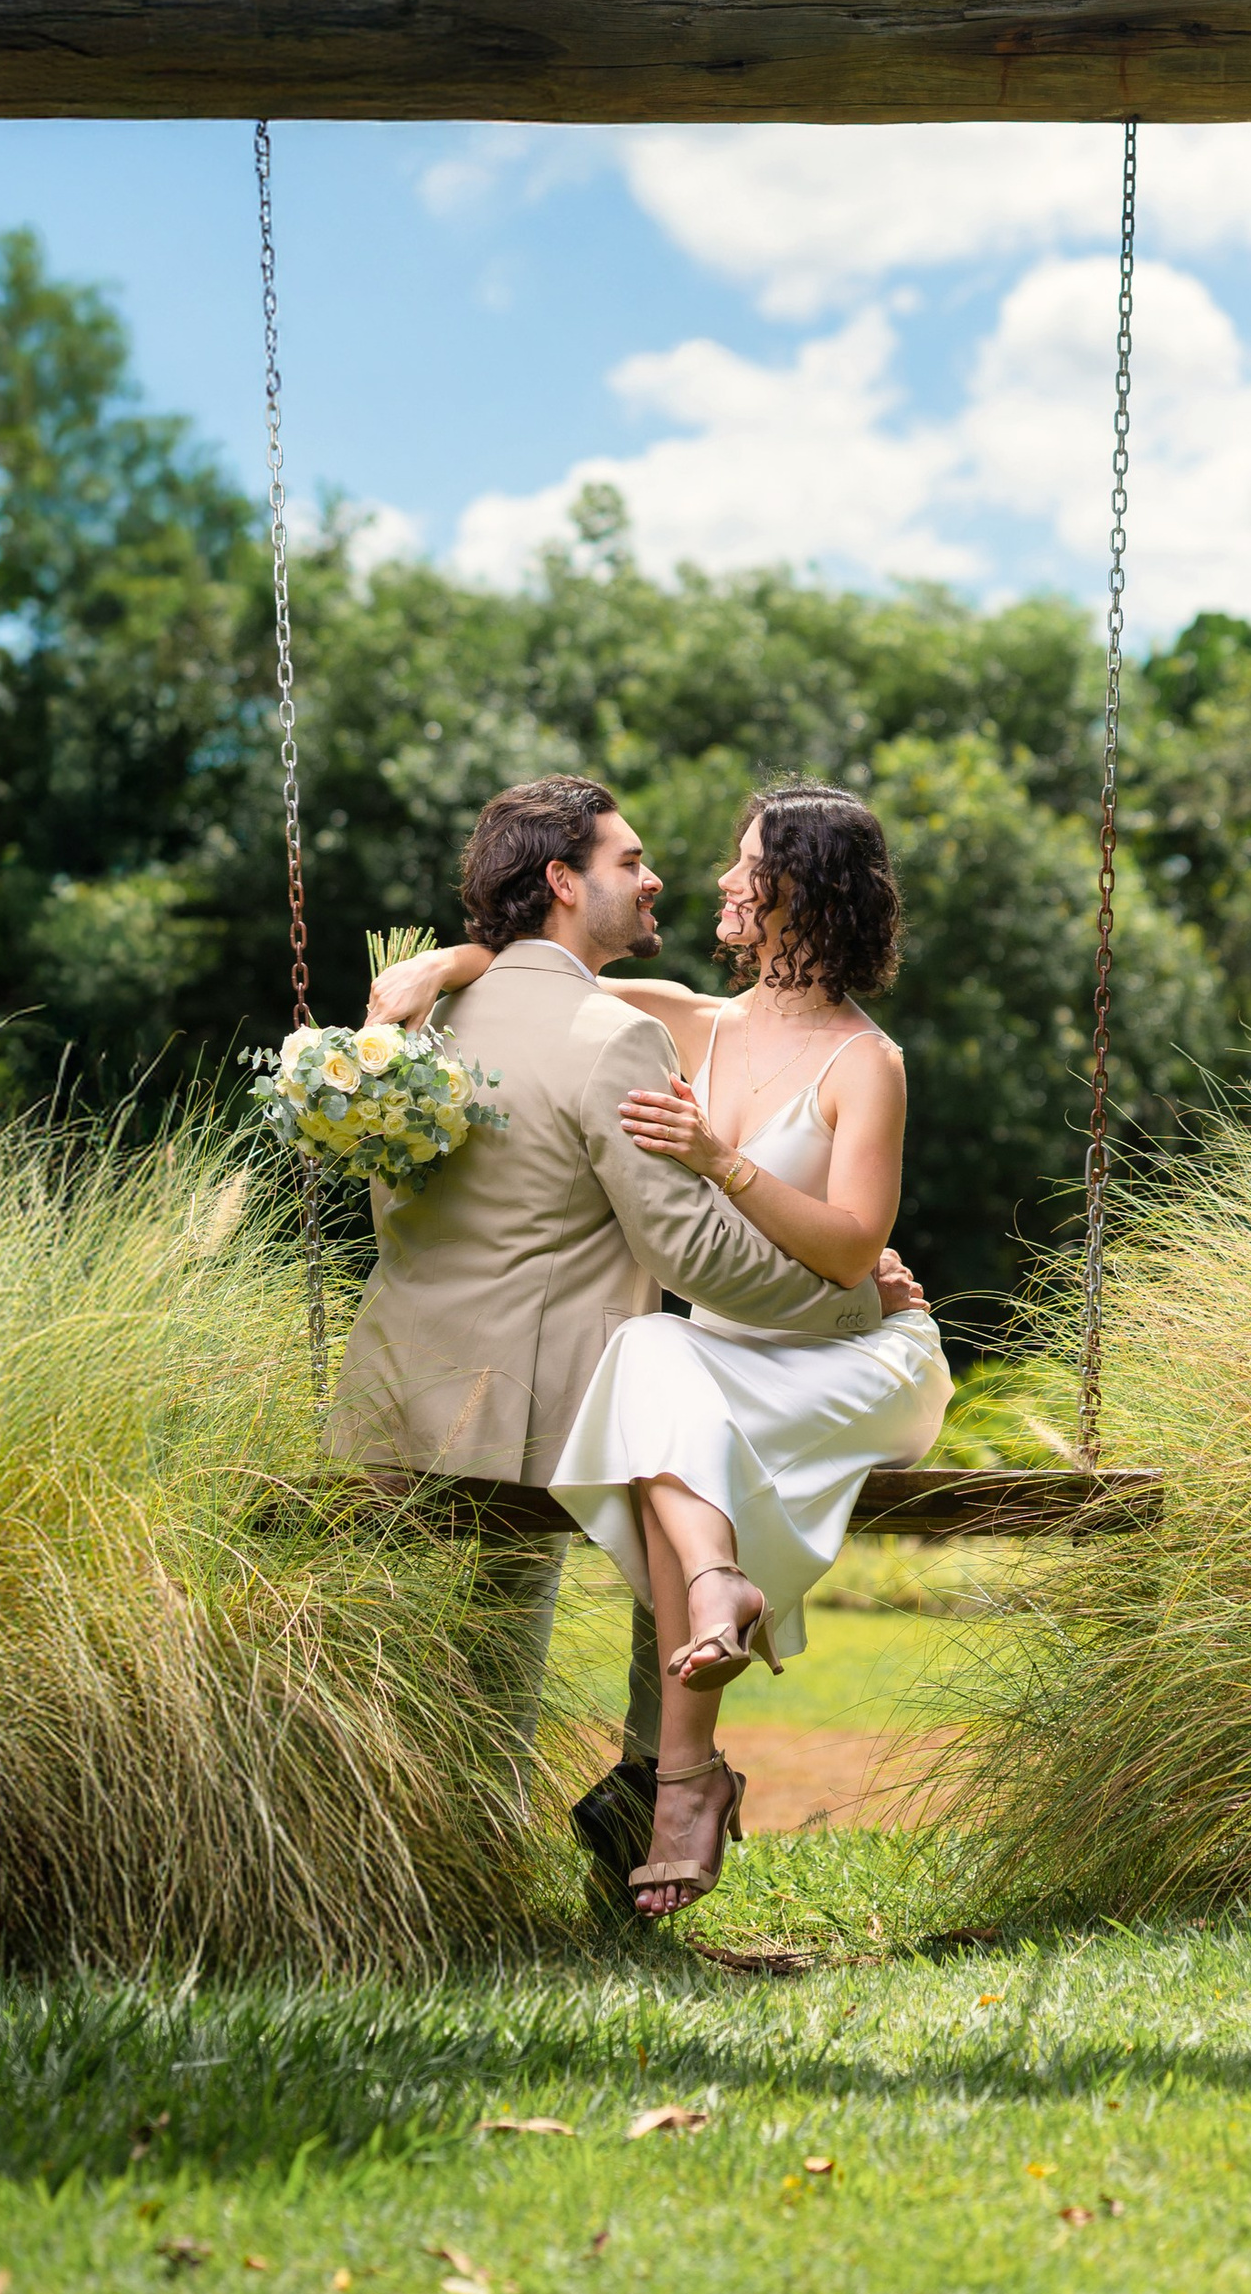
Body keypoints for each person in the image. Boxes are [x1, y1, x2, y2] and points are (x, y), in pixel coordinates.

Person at [373, 783, 948, 1917]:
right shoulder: (696, 1020)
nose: (721, 880)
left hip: (853, 1355)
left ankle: (679, 1772)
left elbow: (850, 1250)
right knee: (650, 1351)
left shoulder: (866, 1062)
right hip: (728, 1354)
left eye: (747, 862)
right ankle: (702, 1673)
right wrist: (438, 965)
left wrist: (718, 1158)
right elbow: (543, 974)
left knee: (666, 1388)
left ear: (801, 889)